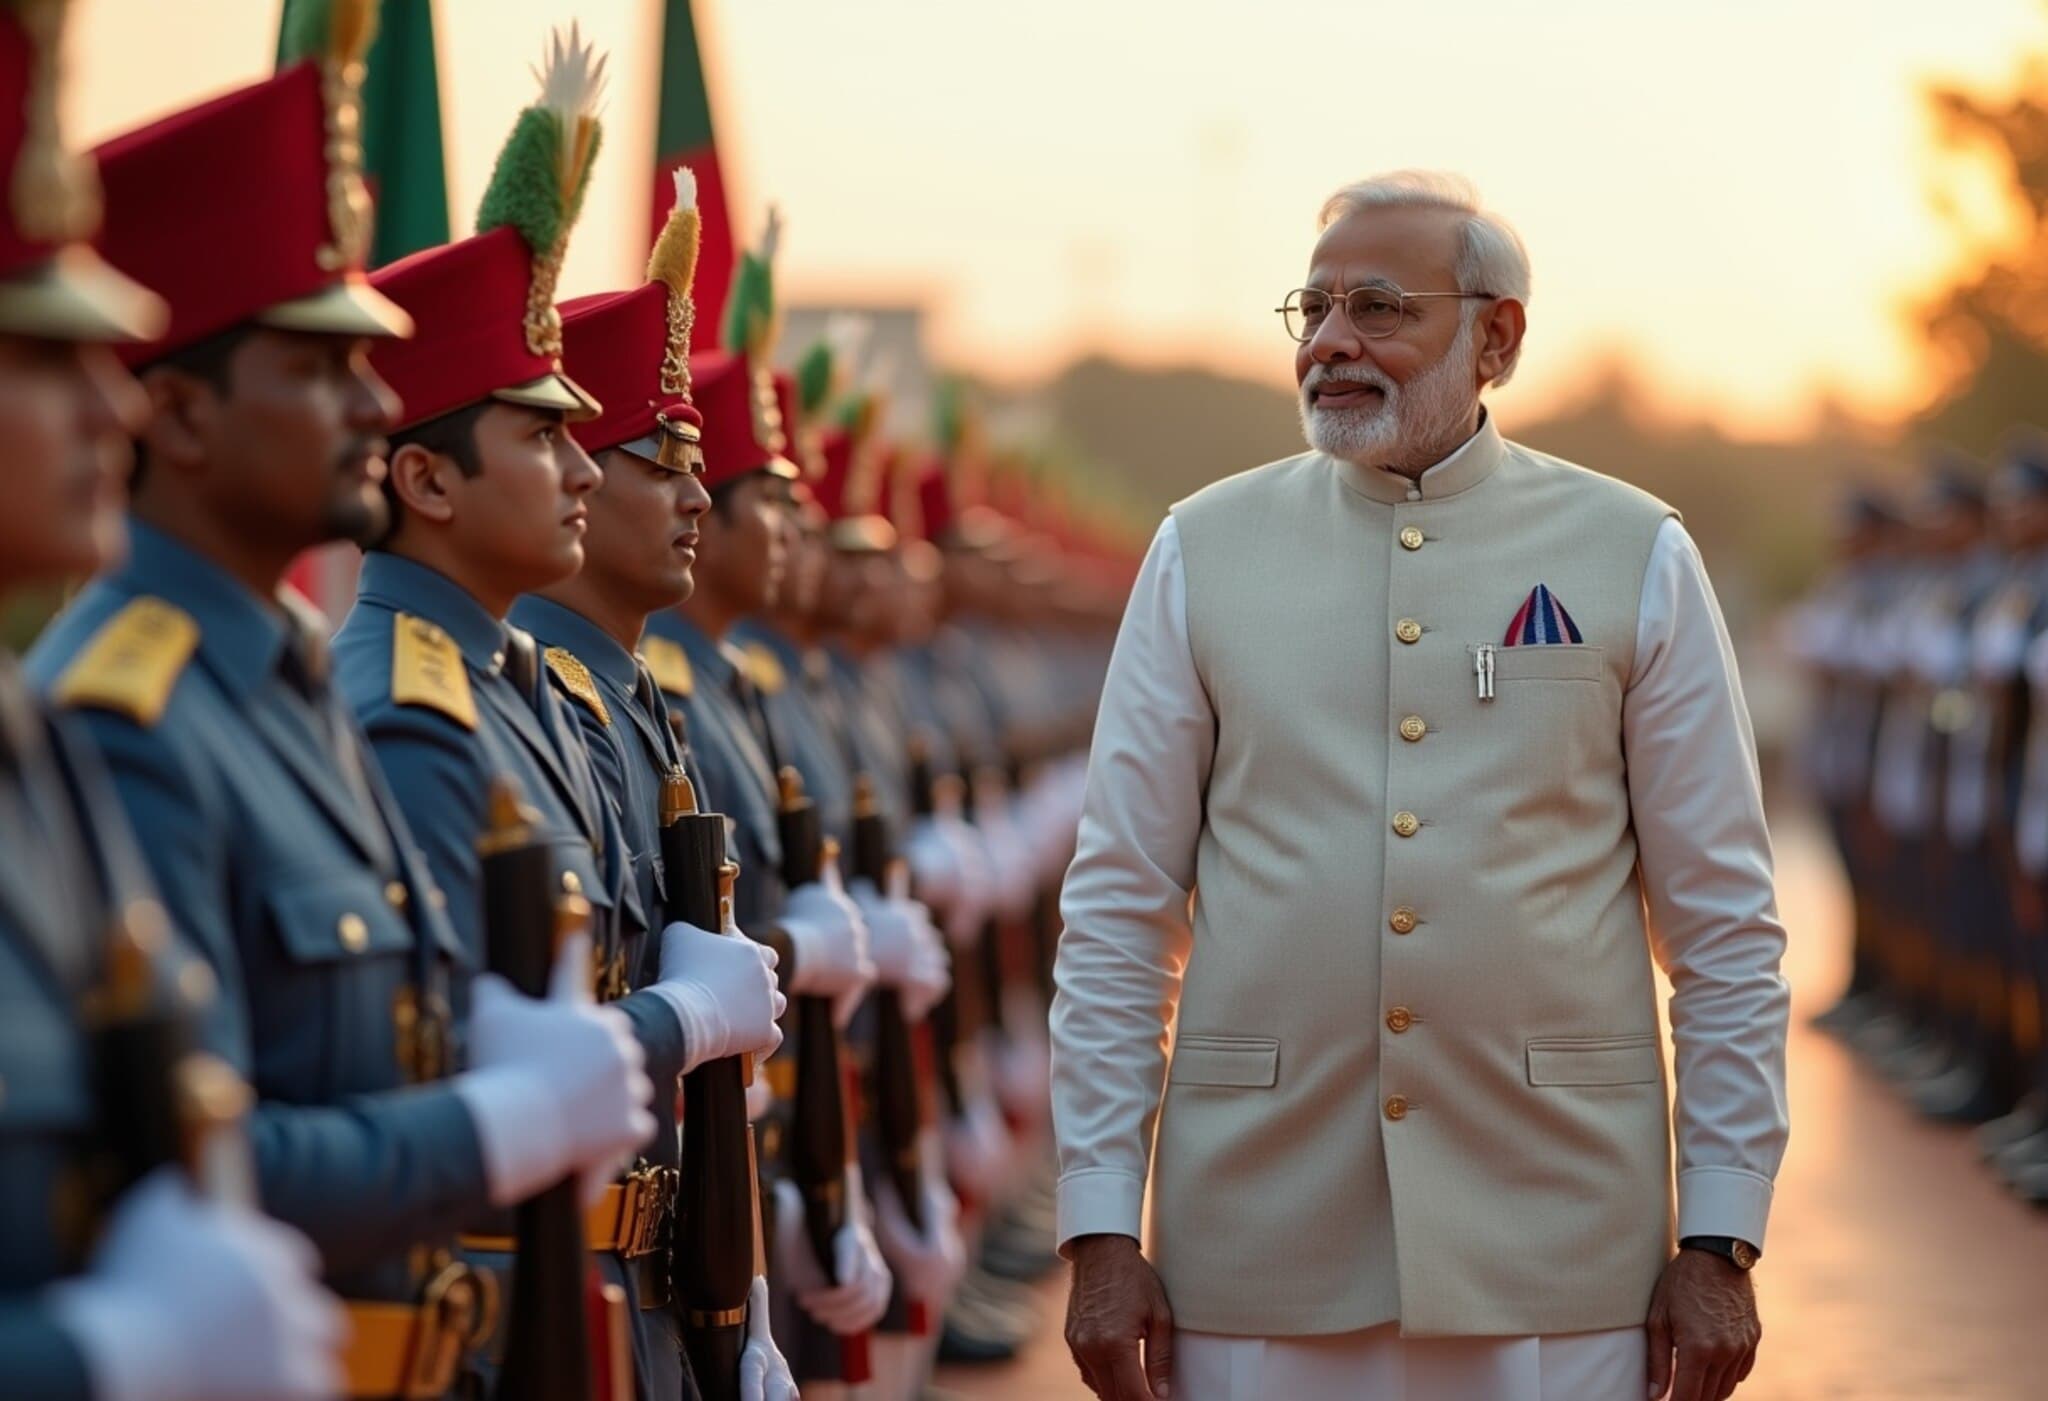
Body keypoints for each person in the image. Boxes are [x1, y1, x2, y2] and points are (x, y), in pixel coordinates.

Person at [1051, 170, 1790, 1401]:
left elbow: (1722, 931)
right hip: (1256, 1241)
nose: (1333, 341)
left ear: (1494, 335)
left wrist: (1718, 1234)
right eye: (1315, 308)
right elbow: (1118, 912)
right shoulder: (1201, 548)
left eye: (1381, 307)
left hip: (1557, 1238)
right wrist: (1096, 1226)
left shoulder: (1632, 550)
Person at [26, 11, 653, 1398]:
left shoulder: (293, 685)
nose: (380, 401)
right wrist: (494, 1126)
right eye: (321, 366)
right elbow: (190, 1152)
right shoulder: (122, 717)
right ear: (180, 419)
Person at [328, 29, 785, 1400]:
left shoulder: (535, 697)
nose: (579, 471)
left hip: (622, 1297)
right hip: (509, 1318)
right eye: (542, 437)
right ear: (426, 478)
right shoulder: (411, 709)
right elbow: (475, 1065)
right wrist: (677, 1030)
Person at [0, 4, 342, 1396]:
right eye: (43, 357)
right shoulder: (99, 706)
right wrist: (100, 1357)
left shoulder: (33, 738)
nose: (114, 408)